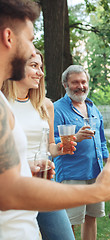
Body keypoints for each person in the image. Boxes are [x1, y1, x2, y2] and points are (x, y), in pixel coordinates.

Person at [0, 1, 110, 239]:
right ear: (9, 37)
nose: (33, 49)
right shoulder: (7, 105)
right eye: (31, 39)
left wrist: (27, 168)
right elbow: (8, 192)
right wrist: (97, 192)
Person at [1, 49, 75, 240]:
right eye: (34, 66)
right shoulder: (3, 104)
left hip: (43, 183)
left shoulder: (45, 105)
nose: (40, 73)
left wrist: (60, 148)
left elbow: (49, 146)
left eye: (41, 68)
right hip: (14, 185)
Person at [53, 65, 109, 239]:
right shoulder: (57, 109)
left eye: (83, 81)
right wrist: (75, 137)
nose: (80, 86)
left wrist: (107, 166)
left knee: (91, 217)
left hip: (95, 173)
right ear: (65, 84)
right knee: (69, 222)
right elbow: (50, 142)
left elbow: (102, 141)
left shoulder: (92, 108)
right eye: (75, 82)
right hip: (72, 174)